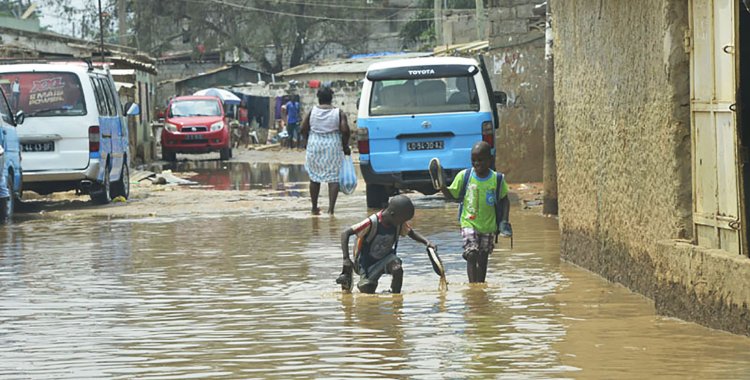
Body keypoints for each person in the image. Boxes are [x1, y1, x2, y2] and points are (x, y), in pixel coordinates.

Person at [435, 141, 512, 283]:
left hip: (489, 226)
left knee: (483, 259)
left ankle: (480, 286)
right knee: (472, 254)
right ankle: (473, 287)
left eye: (481, 160)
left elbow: (504, 200)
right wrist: (443, 187)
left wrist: (504, 221)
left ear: (490, 159)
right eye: (474, 160)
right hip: (468, 223)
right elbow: (452, 195)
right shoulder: (465, 176)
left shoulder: (497, 179)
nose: (477, 164)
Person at [339, 195, 436, 294]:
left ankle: (396, 297)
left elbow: (411, 233)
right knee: (367, 291)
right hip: (367, 265)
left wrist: (427, 242)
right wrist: (346, 259)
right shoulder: (371, 222)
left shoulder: (398, 222)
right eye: (402, 220)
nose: (404, 223)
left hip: (386, 259)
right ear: (392, 214)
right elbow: (345, 234)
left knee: (397, 269)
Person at [301, 87, 350, 215]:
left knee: (314, 178)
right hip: (332, 146)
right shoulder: (338, 113)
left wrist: (307, 141)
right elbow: (345, 130)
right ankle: (331, 210)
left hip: (314, 144)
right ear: (331, 98)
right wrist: (345, 146)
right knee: (333, 178)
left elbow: (302, 128)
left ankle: (314, 208)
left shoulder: (312, 111)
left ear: (319, 98)